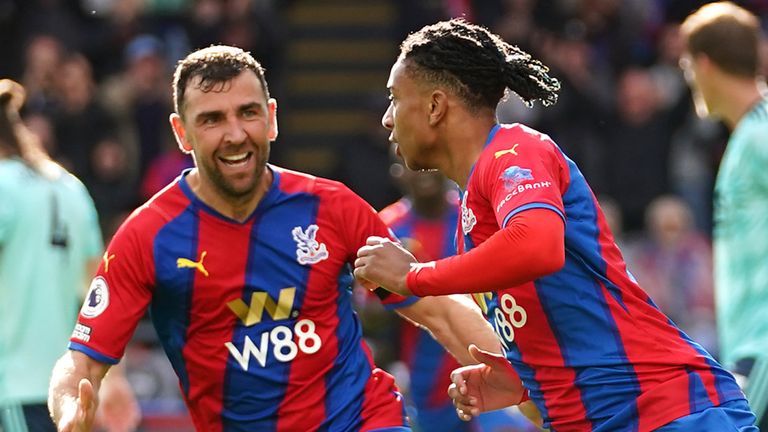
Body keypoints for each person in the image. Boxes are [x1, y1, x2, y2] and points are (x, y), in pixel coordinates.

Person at [47, 45, 502, 431]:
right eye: (212, 120)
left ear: (272, 119)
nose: (235, 134)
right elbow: (81, 362)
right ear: (181, 133)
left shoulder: (332, 207)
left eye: (248, 113)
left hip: (362, 420)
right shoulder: (148, 236)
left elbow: (438, 308)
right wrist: (69, 410)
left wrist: (525, 385)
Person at [354, 18, 757, 431]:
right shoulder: (471, 222)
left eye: (394, 98)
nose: (387, 119)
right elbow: (566, 320)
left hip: (671, 411)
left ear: (436, 106)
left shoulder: (513, 150)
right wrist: (525, 384)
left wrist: (415, 276)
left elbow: (538, 245)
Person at [0, 79, 139, 432]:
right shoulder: (70, 188)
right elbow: (98, 293)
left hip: (13, 389)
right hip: (68, 392)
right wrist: (114, 377)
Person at [379, 163, 536, 432]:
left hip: (494, 364)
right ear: (398, 173)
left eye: (430, 167)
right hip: (425, 379)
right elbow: (369, 313)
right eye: (415, 166)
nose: (424, 174)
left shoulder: (476, 217)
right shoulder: (389, 228)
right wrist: (390, 284)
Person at [679, 2, 768, 428]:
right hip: (749, 346)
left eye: (686, 63)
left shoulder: (760, 134)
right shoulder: (745, 137)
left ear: (705, 64)